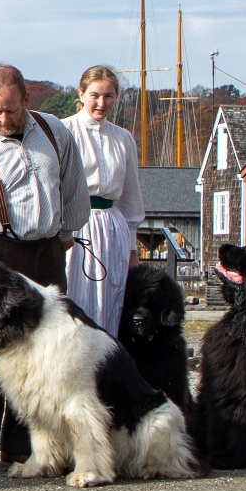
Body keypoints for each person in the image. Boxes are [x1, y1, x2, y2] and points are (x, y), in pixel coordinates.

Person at [0, 64, 89, 476]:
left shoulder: (57, 133)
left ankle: (24, 447)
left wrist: (64, 233)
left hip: (47, 250)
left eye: (10, 110)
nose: (3, 120)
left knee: (47, 352)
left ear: (27, 100)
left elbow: (74, 189)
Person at [59, 65, 144, 335]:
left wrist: (132, 250)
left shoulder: (123, 138)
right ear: (81, 94)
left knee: (111, 301)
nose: (101, 103)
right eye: (95, 95)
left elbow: (130, 197)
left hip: (112, 229)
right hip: (77, 226)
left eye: (108, 96)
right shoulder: (64, 131)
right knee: (75, 299)